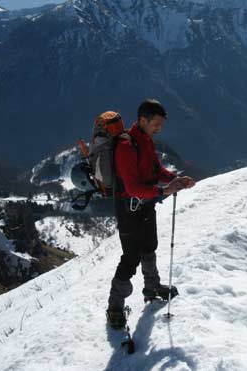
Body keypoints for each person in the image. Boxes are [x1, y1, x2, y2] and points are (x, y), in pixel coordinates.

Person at [106, 99, 195, 329]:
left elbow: (156, 169)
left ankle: (152, 288)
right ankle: (114, 307)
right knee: (130, 258)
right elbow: (132, 186)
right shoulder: (126, 146)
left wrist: (174, 178)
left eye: (161, 124)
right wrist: (165, 190)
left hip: (145, 205)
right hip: (128, 209)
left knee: (149, 246)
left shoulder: (145, 140)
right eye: (156, 123)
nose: (159, 128)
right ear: (142, 120)